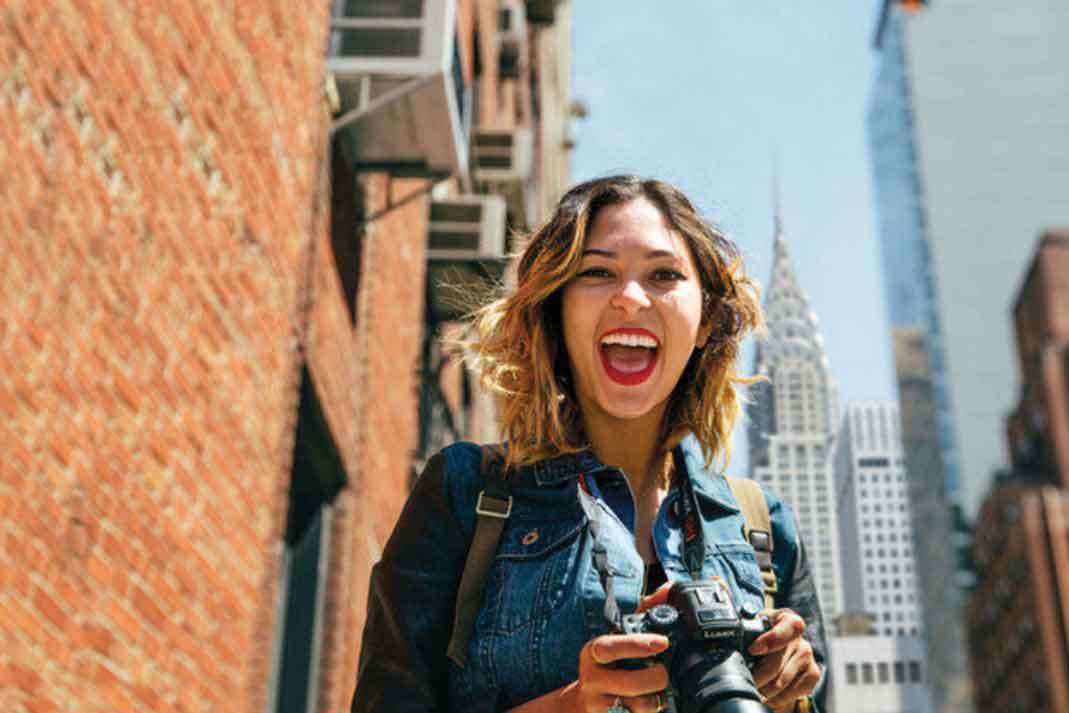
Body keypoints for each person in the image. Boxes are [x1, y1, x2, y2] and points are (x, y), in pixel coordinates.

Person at [352, 176, 828, 713]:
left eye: (664, 274)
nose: (630, 298)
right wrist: (569, 706)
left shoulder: (764, 529)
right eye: (598, 272)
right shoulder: (466, 494)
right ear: (556, 309)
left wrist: (792, 696)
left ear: (707, 321)